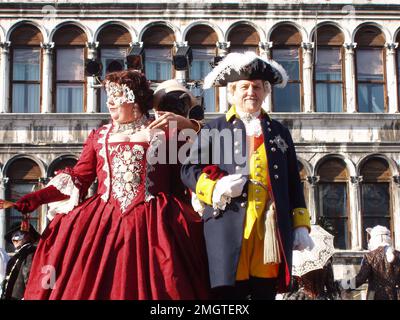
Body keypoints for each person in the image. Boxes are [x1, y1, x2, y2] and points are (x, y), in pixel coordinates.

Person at [1, 70, 210, 300]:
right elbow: (79, 177)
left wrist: (189, 125)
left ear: (135, 100)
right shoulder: (99, 136)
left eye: (117, 96)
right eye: (108, 95)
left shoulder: (167, 133)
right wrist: (34, 198)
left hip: (155, 224)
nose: (109, 102)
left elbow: (202, 159)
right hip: (104, 222)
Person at [181, 51, 313, 300]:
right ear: (232, 92)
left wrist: (300, 225)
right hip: (227, 227)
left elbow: (293, 183)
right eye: (244, 87)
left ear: (265, 92)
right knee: (227, 297)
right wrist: (215, 189)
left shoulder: (279, 131)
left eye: (257, 87)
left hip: (269, 231)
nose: (251, 92)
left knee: (265, 294)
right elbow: (188, 170)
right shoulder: (214, 128)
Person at [352, 225, 400, 300]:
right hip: (394, 296)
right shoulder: (398, 255)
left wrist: (343, 285)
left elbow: (360, 279)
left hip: (373, 296)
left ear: (374, 239)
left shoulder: (369, 256)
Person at [1, 223, 39, 300]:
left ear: (28, 236)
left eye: (17, 235)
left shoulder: (29, 253)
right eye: (12, 236)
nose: (13, 239)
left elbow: (30, 280)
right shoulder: (17, 256)